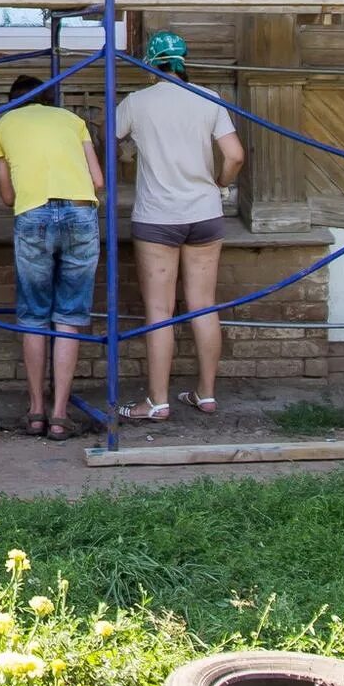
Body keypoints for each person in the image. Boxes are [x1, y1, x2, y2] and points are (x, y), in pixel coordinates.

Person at [111, 32, 245, 423]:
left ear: (151, 63)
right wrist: (219, 183)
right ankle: (205, 393)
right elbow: (235, 155)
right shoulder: (208, 98)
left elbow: (109, 141)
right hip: (204, 213)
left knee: (160, 310)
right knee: (203, 304)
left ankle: (157, 402)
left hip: (157, 216)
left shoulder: (136, 103)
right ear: (185, 61)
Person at [0, 74, 105, 442]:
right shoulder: (72, 120)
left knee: (33, 316)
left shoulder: (5, 122)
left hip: (34, 212)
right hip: (80, 211)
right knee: (69, 317)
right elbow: (98, 180)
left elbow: (7, 195)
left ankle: (36, 410)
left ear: (14, 100)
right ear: (50, 100)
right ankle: (60, 415)